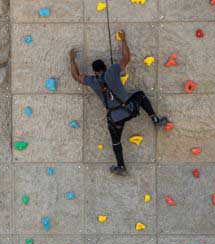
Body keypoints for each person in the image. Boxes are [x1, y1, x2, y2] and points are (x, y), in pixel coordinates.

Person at [69, 30, 168, 176]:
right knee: (140, 94)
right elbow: (126, 57)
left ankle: (121, 167)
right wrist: (123, 39)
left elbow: (76, 76)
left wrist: (71, 59)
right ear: (105, 66)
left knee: (116, 142)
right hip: (130, 108)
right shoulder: (113, 70)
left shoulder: (93, 81)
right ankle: (155, 120)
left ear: (95, 71)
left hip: (114, 118)